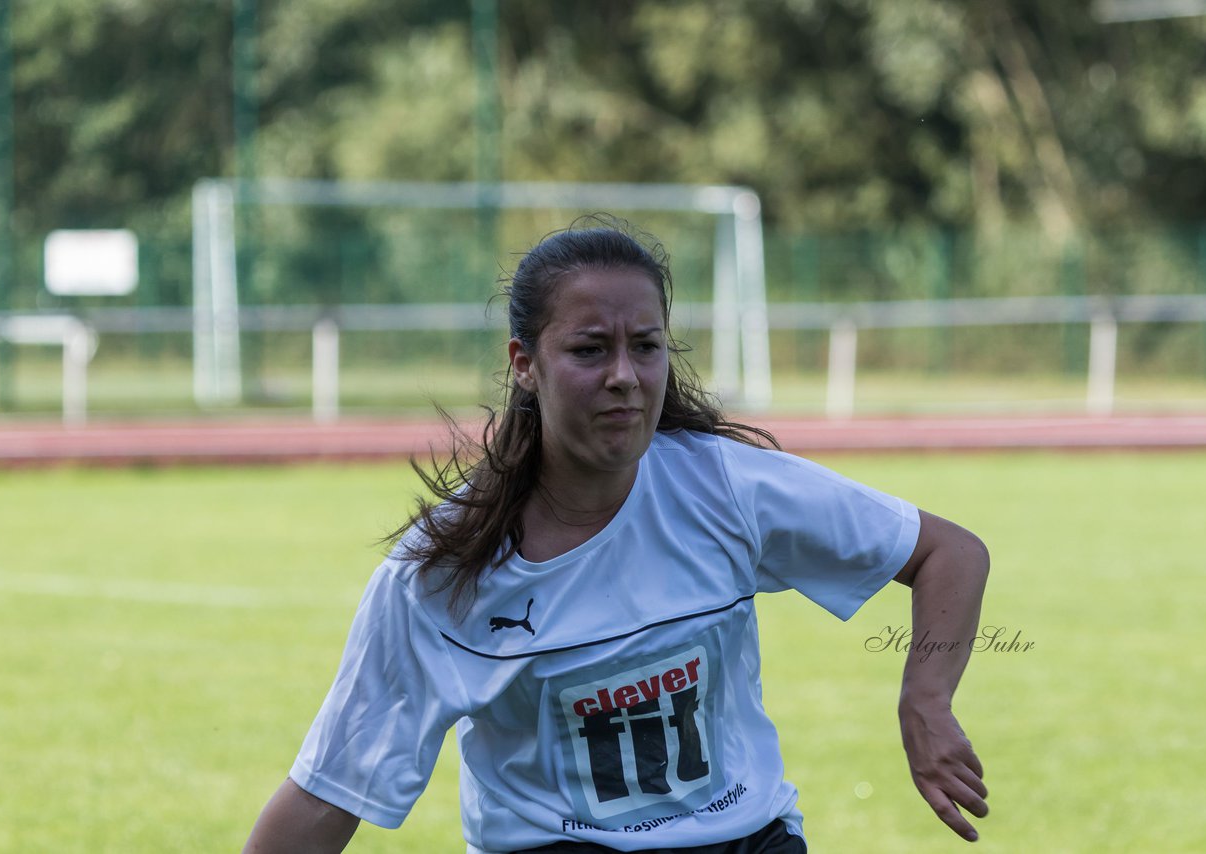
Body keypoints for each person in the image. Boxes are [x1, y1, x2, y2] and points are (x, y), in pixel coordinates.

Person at [243, 218, 990, 853]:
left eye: (647, 346)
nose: (626, 376)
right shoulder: (439, 576)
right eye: (590, 350)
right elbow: (326, 795)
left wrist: (926, 701)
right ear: (524, 364)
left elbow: (948, 553)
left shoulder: (724, 487)